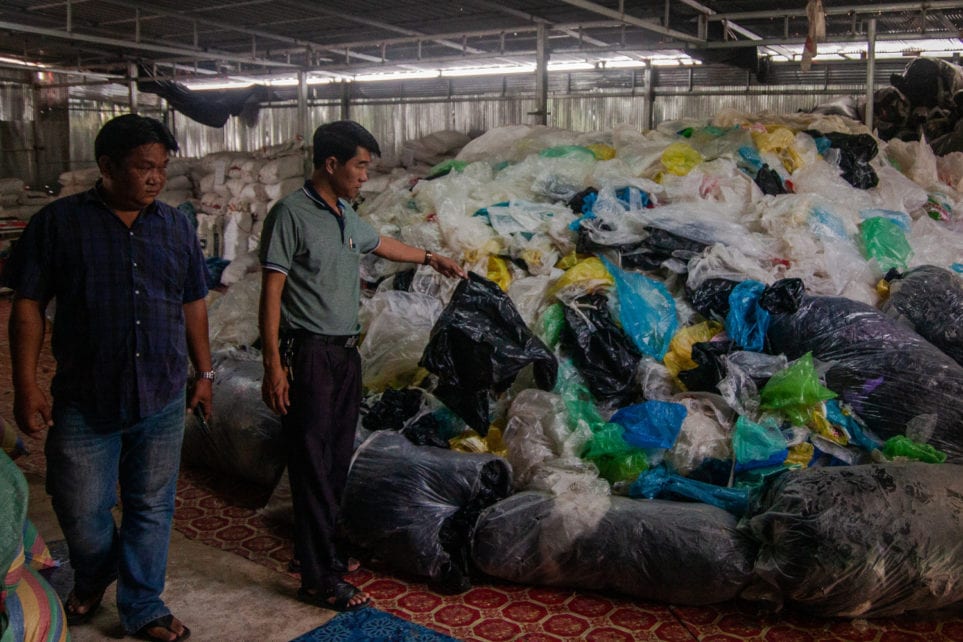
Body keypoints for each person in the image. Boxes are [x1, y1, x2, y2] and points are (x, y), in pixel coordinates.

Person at [2, 114, 212, 642]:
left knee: (152, 505)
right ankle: (96, 573)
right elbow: (28, 305)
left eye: (162, 168)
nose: (155, 178)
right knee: (80, 506)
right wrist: (27, 384)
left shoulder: (176, 226)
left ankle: (143, 604)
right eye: (144, 167)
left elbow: (193, 303)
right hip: (85, 399)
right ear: (107, 166)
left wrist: (204, 372)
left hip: (162, 395)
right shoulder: (59, 223)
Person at [258, 120, 465, 611]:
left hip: (343, 353)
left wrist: (431, 257)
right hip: (305, 352)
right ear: (331, 164)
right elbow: (272, 291)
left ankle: (321, 550)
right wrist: (273, 365)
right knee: (310, 461)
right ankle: (315, 577)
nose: (365, 176)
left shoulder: (345, 213)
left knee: (333, 459)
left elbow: (381, 244)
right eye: (360, 166)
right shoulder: (290, 214)